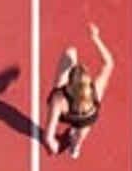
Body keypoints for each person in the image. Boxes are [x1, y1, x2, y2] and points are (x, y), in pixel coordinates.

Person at [44, 22, 115, 159]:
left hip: (65, 112)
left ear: (69, 83)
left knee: (70, 52)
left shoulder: (59, 99)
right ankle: (75, 146)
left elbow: (48, 136)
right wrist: (96, 38)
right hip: (86, 118)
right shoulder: (96, 92)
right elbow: (109, 63)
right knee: (81, 134)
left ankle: (70, 144)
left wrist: (53, 147)